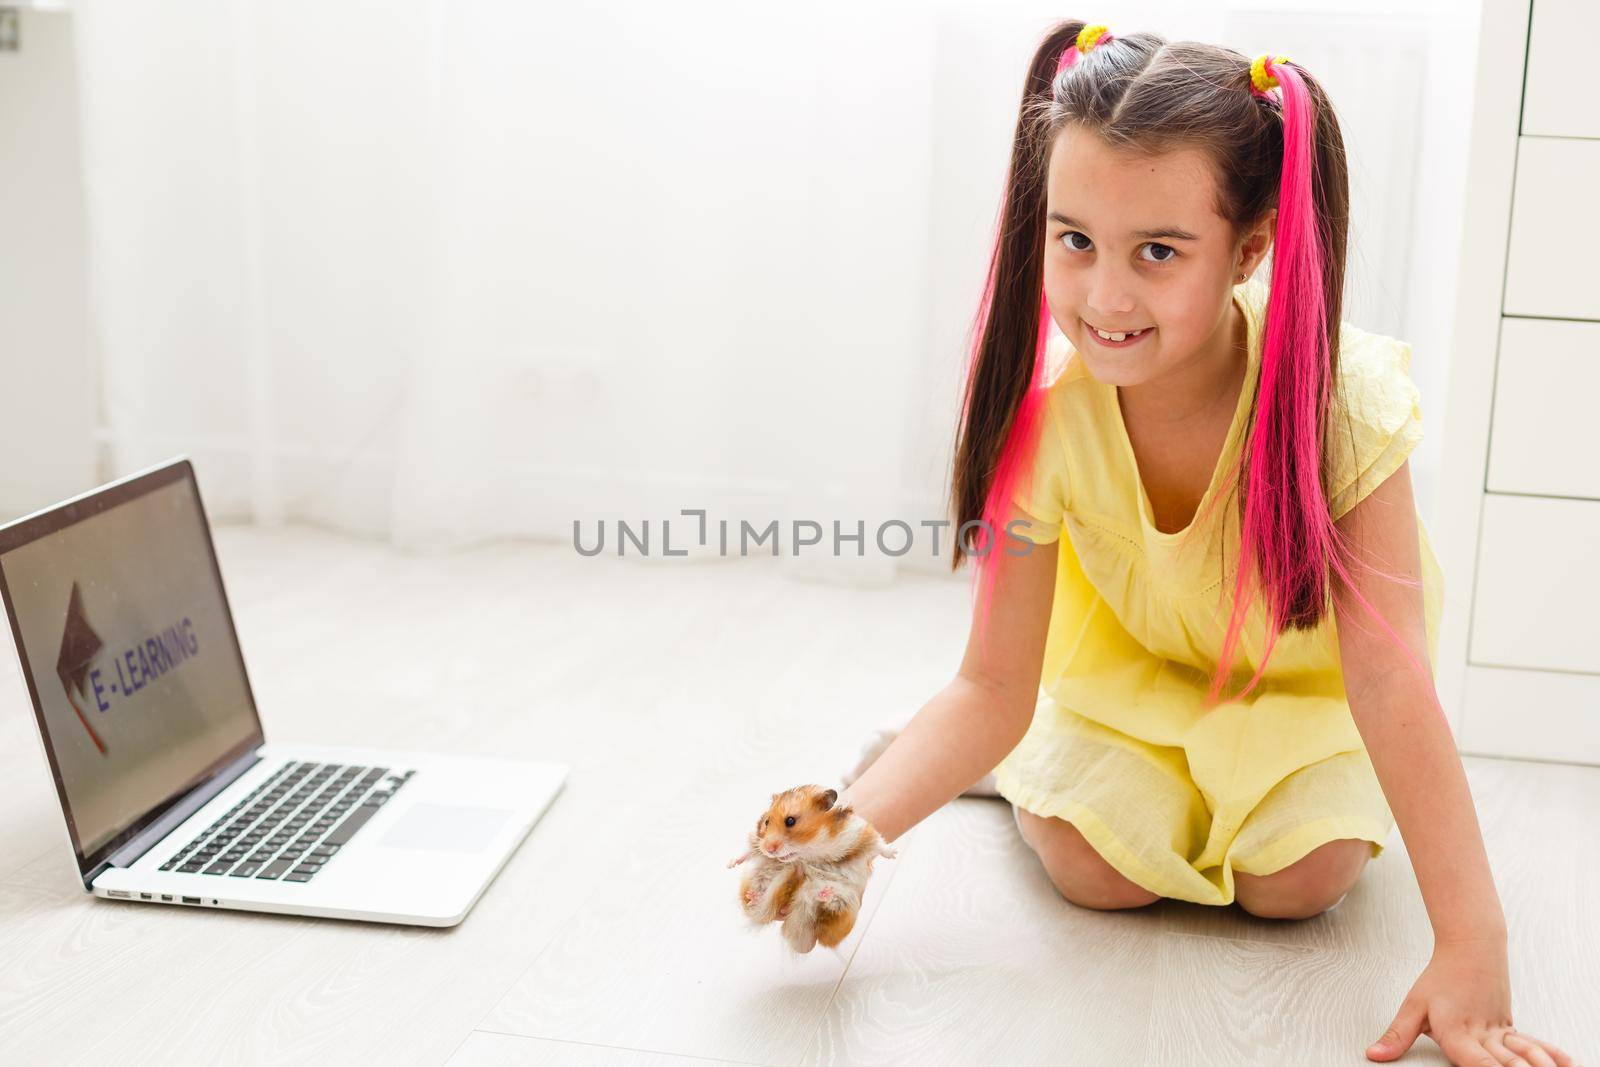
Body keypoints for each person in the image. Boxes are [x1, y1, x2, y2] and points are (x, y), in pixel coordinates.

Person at [837, 22, 1576, 1067]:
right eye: (1074, 239)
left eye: (1158, 252)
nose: (1103, 295)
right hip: (1131, 688)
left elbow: (1389, 671)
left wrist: (1472, 937)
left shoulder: (1341, 403)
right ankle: (1012, 776)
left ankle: (1055, 777)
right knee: (1101, 876)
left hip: (1301, 702)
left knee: (1299, 883)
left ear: (1250, 247)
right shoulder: (1045, 420)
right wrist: (846, 833)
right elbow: (991, 684)